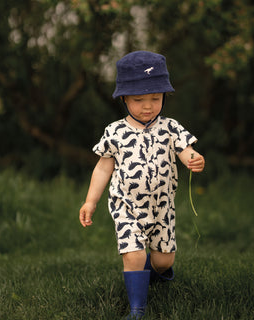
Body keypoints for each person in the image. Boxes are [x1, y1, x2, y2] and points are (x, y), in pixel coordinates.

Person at [79, 51, 205, 319]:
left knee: (163, 261)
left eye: (155, 99)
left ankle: (150, 273)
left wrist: (193, 159)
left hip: (162, 208)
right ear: (124, 98)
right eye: (139, 100)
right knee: (134, 254)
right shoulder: (115, 132)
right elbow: (103, 167)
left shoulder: (170, 127)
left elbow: (185, 149)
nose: (147, 106)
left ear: (164, 97)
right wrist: (91, 201)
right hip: (127, 206)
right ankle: (137, 310)